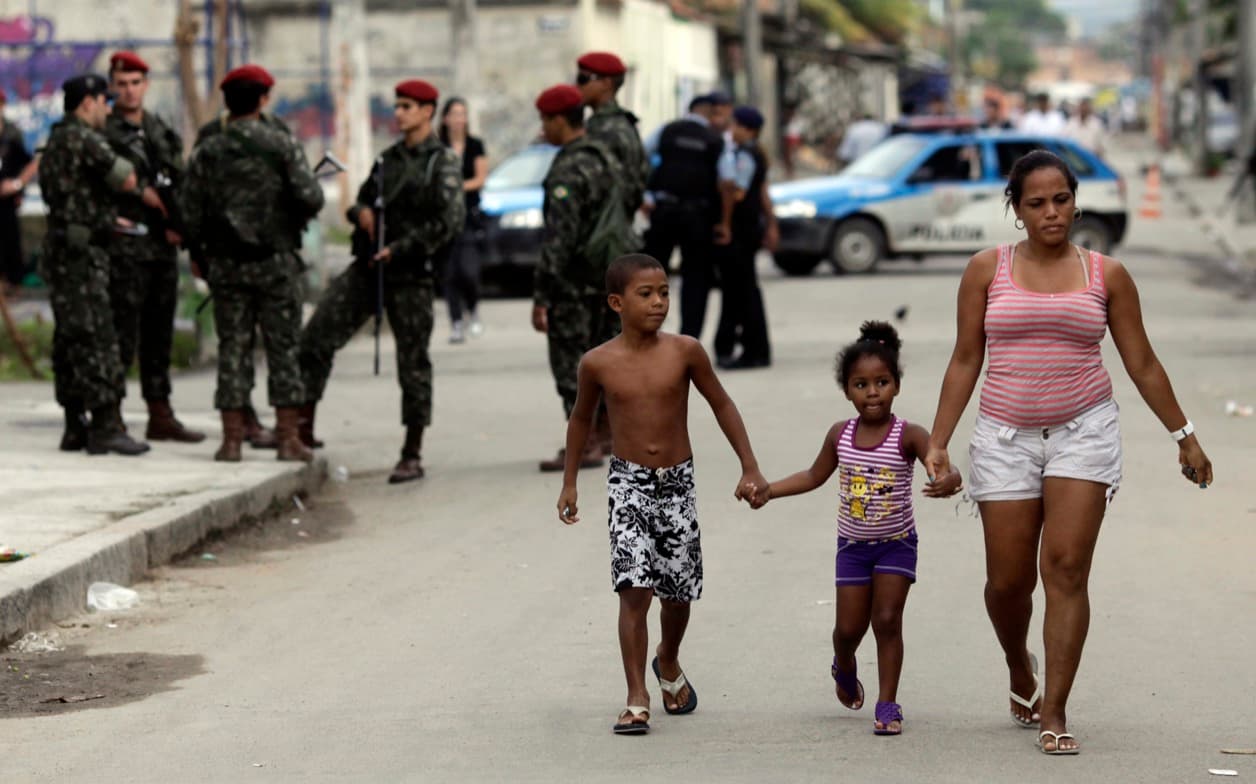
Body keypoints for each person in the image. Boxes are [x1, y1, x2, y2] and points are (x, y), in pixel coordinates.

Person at [923, 150, 1214, 755]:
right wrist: (940, 443)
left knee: (1064, 570)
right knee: (1006, 584)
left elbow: (1141, 361)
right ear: (1016, 209)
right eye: (1036, 203)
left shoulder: (1106, 274)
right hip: (1004, 437)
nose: (1052, 213)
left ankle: (1054, 706)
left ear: (1076, 200)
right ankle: (1019, 669)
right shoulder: (986, 270)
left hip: (1085, 432)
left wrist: (1183, 434)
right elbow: (965, 359)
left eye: (1061, 200)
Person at [556, 253, 766, 735]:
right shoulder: (598, 363)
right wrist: (570, 481)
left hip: (677, 483)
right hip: (627, 482)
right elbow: (581, 420)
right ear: (616, 302)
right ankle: (636, 697)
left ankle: (667, 659)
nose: (658, 302)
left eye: (664, 292)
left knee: (677, 593)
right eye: (645, 294)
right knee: (635, 588)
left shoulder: (686, 351)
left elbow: (721, 403)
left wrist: (749, 465)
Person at [745, 321, 962, 735]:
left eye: (882, 381)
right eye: (861, 384)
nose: (872, 392)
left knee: (886, 619)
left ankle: (888, 704)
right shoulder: (840, 435)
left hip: (897, 545)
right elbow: (813, 475)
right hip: (853, 548)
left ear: (897, 385)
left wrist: (949, 480)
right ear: (846, 391)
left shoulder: (909, 435)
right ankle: (843, 664)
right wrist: (770, 490)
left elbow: (942, 465)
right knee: (847, 630)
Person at [298, 79, 464, 484]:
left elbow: (449, 221)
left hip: (410, 274)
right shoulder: (387, 160)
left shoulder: (439, 163)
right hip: (370, 266)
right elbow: (359, 200)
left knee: (412, 364)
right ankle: (301, 426)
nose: (400, 113)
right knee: (318, 334)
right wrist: (362, 215)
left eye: (408, 106)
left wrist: (403, 247)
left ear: (427, 111)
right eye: (398, 105)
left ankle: (412, 450)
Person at [182, 64, 325, 463]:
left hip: (227, 266)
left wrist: (200, 254)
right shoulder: (280, 144)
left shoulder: (209, 149)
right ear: (263, 99)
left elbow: (189, 212)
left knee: (233, 349)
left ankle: (231, 441)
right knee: (283, 348)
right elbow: (312, 197)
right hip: (275, 263)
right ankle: (287, 439)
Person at [39, 73, 150, 455]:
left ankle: (74, 424)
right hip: (84, 258)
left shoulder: (55, 139)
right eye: (104, 101)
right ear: (88, 102)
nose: (108, 108)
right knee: (98, 336)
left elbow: (73, 197)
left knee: (69, 337)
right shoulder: (85, 139)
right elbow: (128, 179)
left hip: (62, 249)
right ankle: (105, 424)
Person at [104, 51, 205, 444]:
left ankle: (159, 412)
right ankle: (111, 413)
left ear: (146, 85)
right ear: (112, 86)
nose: (129, 91)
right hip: (125, 249)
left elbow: (179, 183)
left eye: (135, 83)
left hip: (161, 248)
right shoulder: (105, 133)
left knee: (158, 333)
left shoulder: (161, 130)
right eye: (122, 83)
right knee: (121, 335)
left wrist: (181, 227)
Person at [531, 84, 622, 473]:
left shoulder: (569, 167)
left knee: (572, 367)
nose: (543, 130)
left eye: (545, 121)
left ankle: (583, 444)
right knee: (604, 359)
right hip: (606, 276)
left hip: (571, 283)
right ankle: (605, 437)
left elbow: (560, 238)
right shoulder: (604, 156)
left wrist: (542, 293)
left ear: (558, 121)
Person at [641, 94, 726, 339]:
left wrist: (644, 195)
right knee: (696, 278)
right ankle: (689, 338)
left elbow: (640, 156)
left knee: (651, 275)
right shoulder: (715, 140)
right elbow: (726, 180)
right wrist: (723, 219)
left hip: (663, 210)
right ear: (709, 113)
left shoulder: (667, 130)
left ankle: (647, 333)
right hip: (698, 215)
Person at [713, 106, 777, 370]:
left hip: (741, 231)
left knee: (742, 291)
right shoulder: (753, 153)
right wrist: (772, 224)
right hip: (749, 229)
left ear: (748, 129)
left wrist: (725, 221)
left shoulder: (745, 156)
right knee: (747, 290)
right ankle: (755, 348)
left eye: (736, 125)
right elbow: (763, 194)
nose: (731, 130)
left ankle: (754, 350)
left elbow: (736, 192)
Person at [437, 97, 488, 344]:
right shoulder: (438, 146)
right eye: (454, 114)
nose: (458, 119)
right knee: (449, 273)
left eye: (462, 114)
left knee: (468, 271)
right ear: (445, 118)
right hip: (444, 218)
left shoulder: (475, 145)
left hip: (469, 217)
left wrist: (456, 187)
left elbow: (480, 178)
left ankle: (473, 309)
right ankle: (456, 322)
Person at [575, 51, 649, 217]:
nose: (578, 86)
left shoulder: (608, 129)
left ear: (606, 83)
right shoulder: (617, 123)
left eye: (583, 79)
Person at [0, 89, 35, 294]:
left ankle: (13, 284)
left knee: (9, 241)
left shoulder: (12, 134)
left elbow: (30, 163)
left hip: (6, 200)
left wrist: (17, 185)